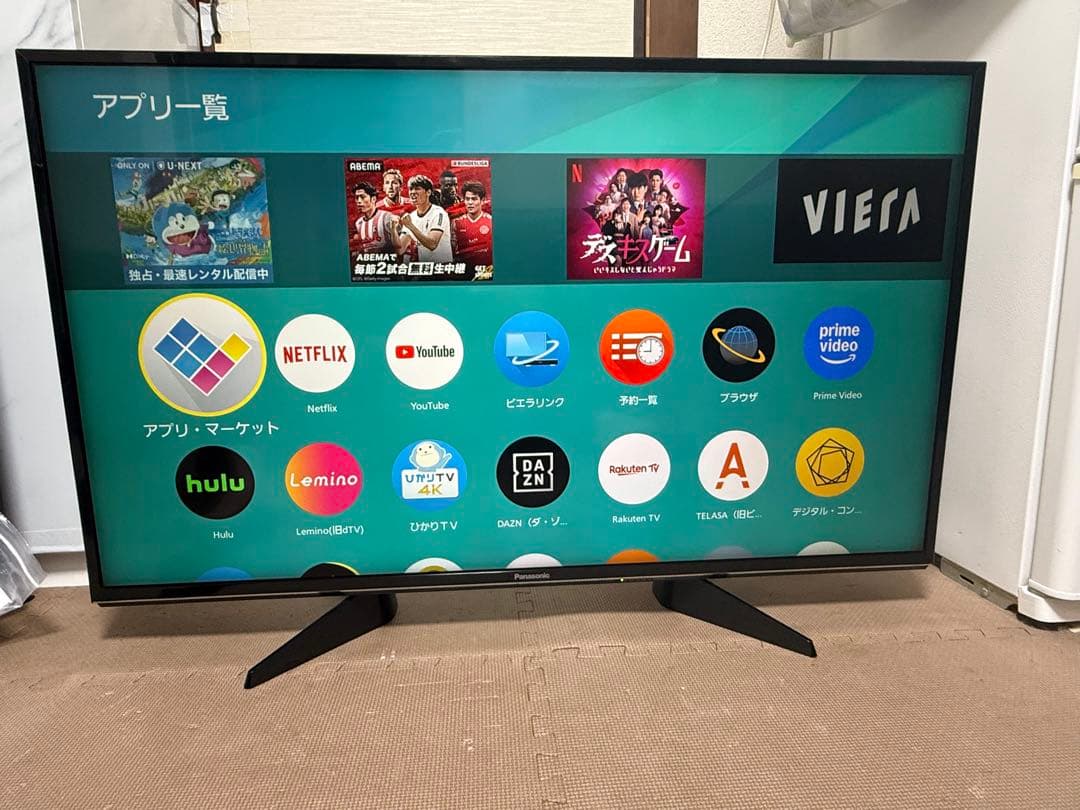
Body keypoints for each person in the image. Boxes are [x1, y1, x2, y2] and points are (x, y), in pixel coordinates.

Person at [398, 174, 453, 263]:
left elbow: (432, 244)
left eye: (417, 189)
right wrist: (392, 229)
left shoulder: (439, 213)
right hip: (426, 268)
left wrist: (411, 226)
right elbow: (400, 250)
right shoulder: (411, 217)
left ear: (428, 192)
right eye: (411, 189)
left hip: (443, 267)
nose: (413, 192)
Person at [352, 181, 402, 265]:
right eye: (357, 198)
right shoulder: (358, 223)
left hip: (389, 268)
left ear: (373, 199)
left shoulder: (387, 217)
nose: (359, 201)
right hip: (370, 269)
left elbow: (399, 247)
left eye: (363, 197)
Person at [451, 181, 493, 267]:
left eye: (474, 199)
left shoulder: (491, 221)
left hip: (486, 270)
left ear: (482, 200)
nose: (470, 202)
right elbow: (451, 252)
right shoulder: (456, 222)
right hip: (463, 269)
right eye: (467, 199)